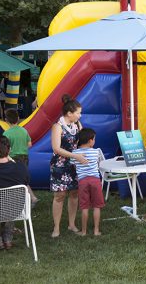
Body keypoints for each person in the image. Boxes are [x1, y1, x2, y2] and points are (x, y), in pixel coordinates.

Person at [50, 94, 87, 238]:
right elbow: (56, 148)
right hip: (60, 165)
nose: (80, 115)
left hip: (74, 164)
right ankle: (56, 227)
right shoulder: (57, 126)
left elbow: (82, 141)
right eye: (78, 113)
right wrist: (76, 156)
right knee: (59, 195)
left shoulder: (77, 125)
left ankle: (71, 224)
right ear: (69, 113)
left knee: (74, 193)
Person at [72, 128, 105, 236]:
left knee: (84, 207)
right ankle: (96, 230)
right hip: (95, 181)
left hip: (82, 182)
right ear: (90, 141)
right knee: (96, 206)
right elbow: (101, 163)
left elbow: (73, 164)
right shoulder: (96, 152)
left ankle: (84, 231)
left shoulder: (75, 153)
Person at [3, 108, 38, 206]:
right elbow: (30, 144)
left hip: (13, 158)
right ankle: (29, 198)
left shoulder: (6, 133)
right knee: (21, 178)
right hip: (25, 157)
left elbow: (6, 149)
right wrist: (22, 147)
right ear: (18, 118)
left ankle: (28, 198)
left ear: (6, 120)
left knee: (17, 179)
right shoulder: (23, 130)